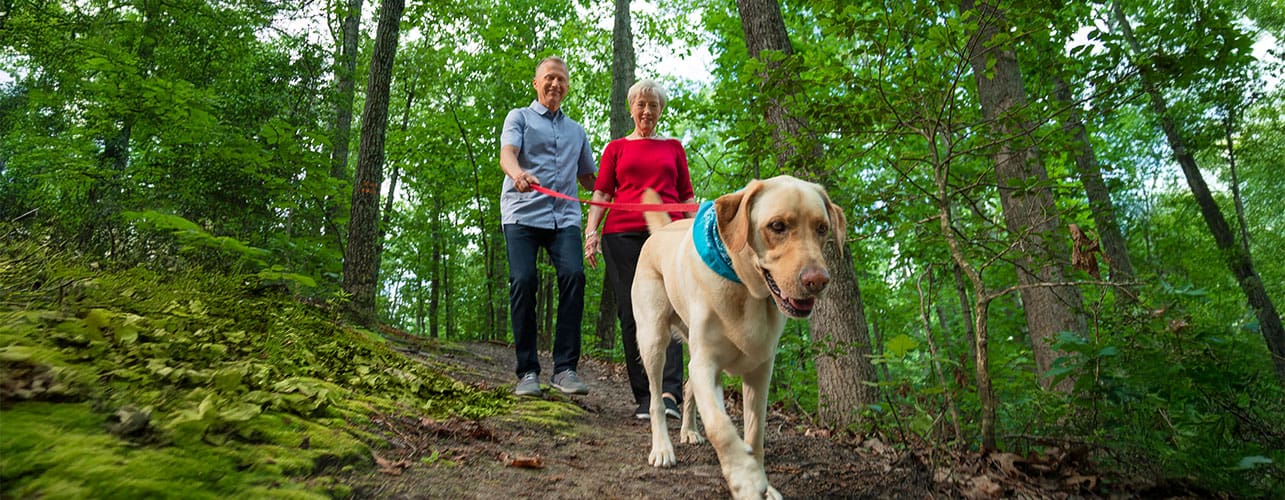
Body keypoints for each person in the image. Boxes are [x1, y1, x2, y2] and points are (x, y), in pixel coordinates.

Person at [583, 79, 695, 420]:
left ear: (661, 110)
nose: (647, 111)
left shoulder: (674, 147)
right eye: (641, 104)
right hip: (622, 237)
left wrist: (697, 235)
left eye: (654, 105)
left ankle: (670, 394)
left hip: (670, 236)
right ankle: (646, 396)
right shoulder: (615, 149)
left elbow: (687, 197)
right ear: (631, 108)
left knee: (675, 311)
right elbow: (601, 194)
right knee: (633, 313)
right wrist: (591, 232)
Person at [500, 56, 597, 397]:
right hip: (522, 213)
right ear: (536, 83)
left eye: (562, 80)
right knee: (523, 280)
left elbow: (589, 179)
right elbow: (507, 155)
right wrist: (518, 174)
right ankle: (527, 372)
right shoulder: (520, 118)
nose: (556, 84)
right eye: (549, 78)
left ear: (567, 86)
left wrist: (621, 181)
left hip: (564, 218)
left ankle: (565, 369)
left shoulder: (576, 131)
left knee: (574, 275)